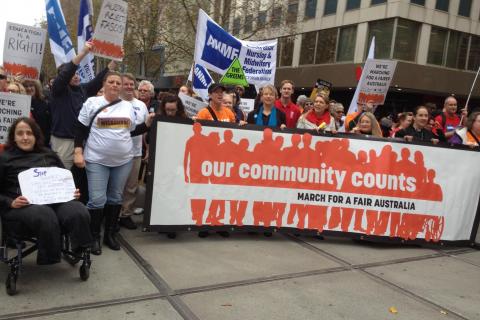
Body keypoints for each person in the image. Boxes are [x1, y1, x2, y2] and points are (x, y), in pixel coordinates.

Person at [73, 72, 154, 255]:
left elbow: (131, 131)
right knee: (96, 200)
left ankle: (110, 235)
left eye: (119, 83)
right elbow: (80, 129)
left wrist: (147, 124)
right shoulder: (92, 103)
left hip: (123, 161)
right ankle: (94, 237)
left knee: (116, 198)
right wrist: (78, 151)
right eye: (111, 82)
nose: (115, 85)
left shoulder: (127, 107)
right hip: (96, 160)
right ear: (104, 84)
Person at [0, 117, 92, 265]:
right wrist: (10, 202)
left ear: (36, 136)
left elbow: (64, 179)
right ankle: (49, 257)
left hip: (55, 201)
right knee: (44, 215)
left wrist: (71, 192)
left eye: (29, 133)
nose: (25, 137)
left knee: (78, 211)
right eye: (20, 133)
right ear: (13, 137)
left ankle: (81, 248)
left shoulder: (49, 154)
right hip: (21, 206)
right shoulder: (4, 159)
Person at [50, 41, 115, 169]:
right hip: (64, 142)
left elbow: (99, 79)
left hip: (82, 142)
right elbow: (67, 71)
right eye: (72, 74)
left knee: (81, 178)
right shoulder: (58, 89)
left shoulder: (83, 89)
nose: (76, 76)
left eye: (77, 73)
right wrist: (83, 53)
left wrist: (115, 60)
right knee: (63, 177)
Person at [118, 74, 149, 230]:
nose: (129, 87)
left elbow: (145, 130)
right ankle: (112, 215)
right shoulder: (114, 103)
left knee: (131, 186)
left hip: (135, 152)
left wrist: (147, 149)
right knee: (116, 186)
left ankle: (126, 214)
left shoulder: (141, 105)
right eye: (126, 84)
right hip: (117, 152)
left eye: (132, 84)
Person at [23, 79, 51, 146]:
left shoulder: (44, 103)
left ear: (36, 87)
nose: (29, 88)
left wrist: (44, 140)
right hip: (23, 141)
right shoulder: (19, 103)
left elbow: (49, 123)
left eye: (31, 85)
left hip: (41, 142)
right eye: (26, 86)